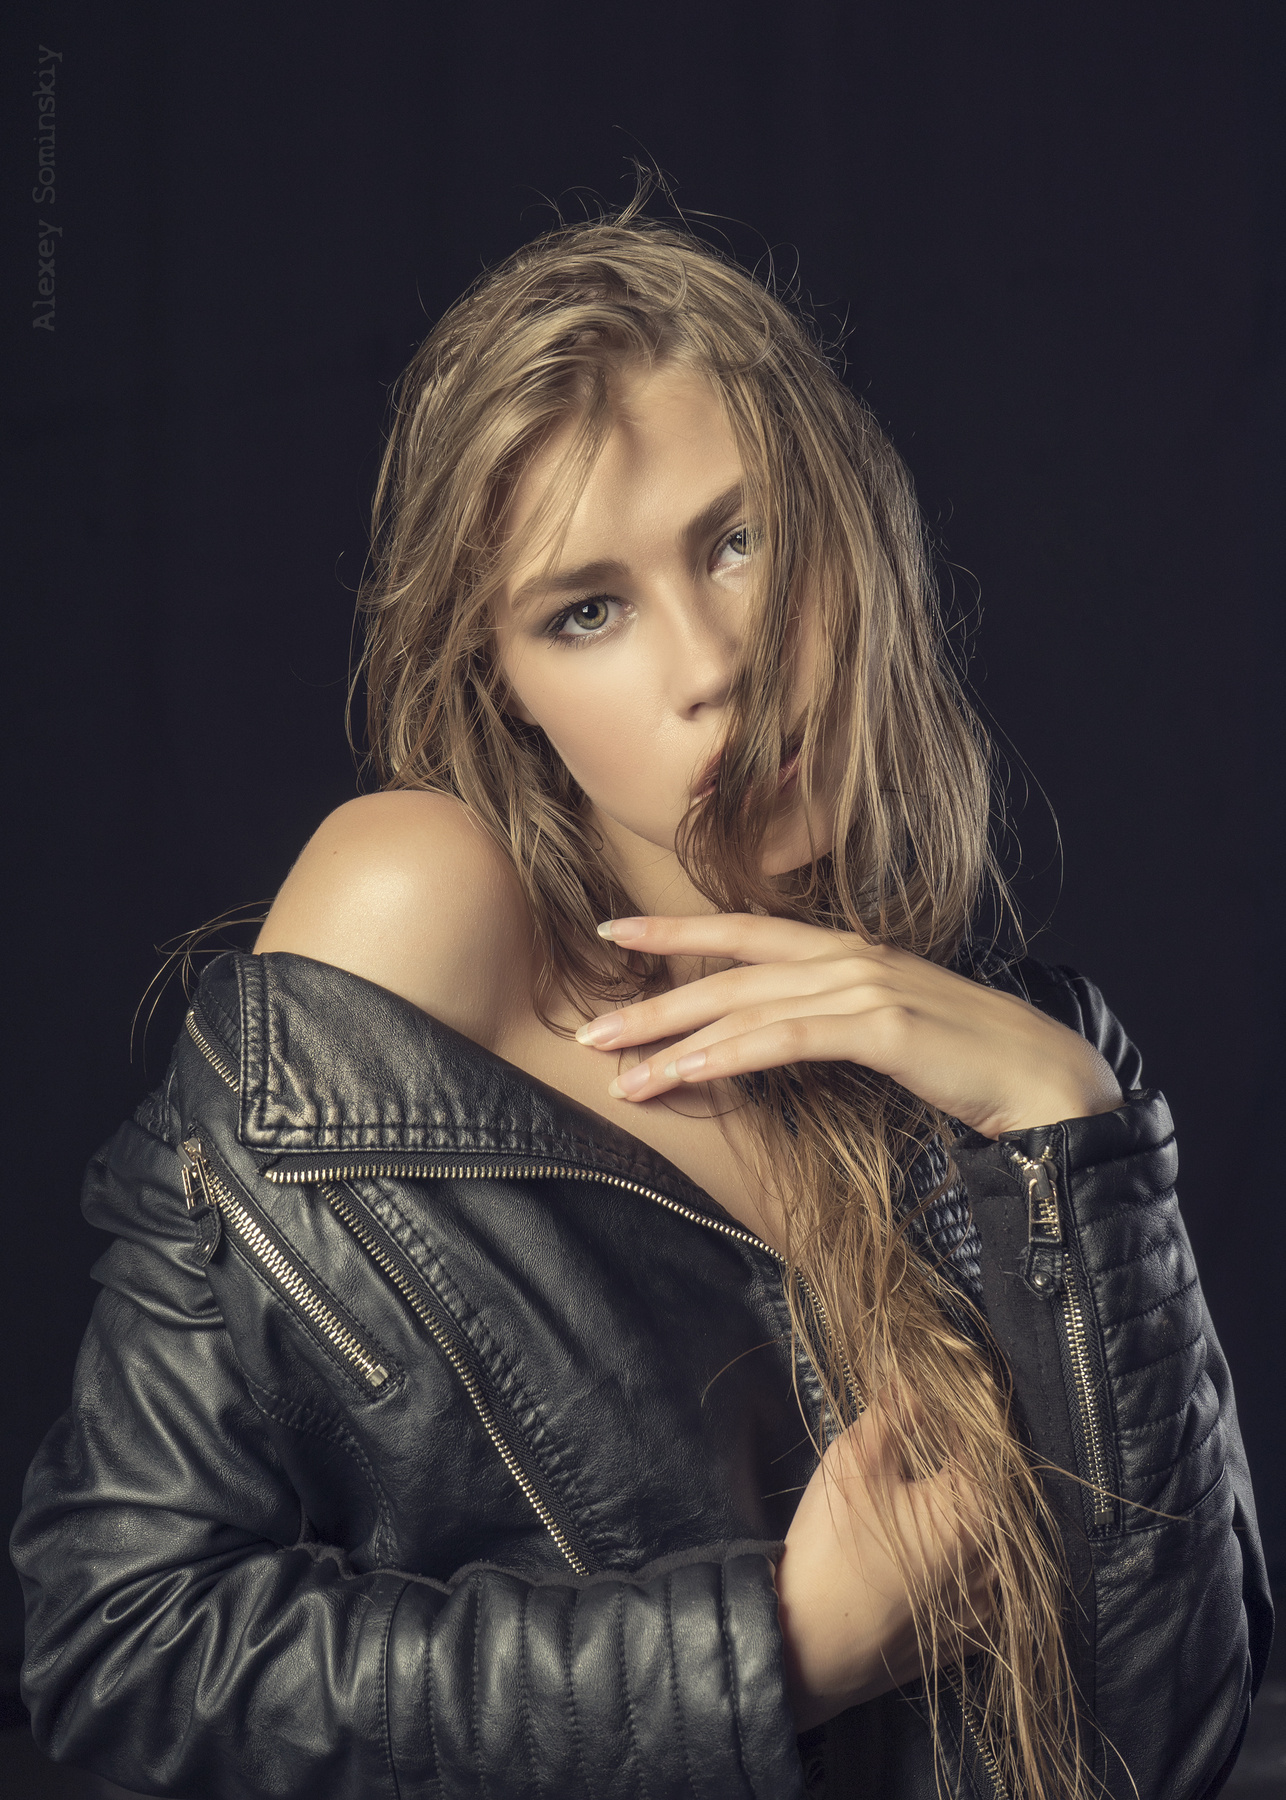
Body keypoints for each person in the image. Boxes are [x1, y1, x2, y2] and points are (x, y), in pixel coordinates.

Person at [11, 199, 1271, 1800]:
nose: (713, 662)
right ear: (506, 689)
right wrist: (779, 1649)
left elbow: (1161, 1750)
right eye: (585, 612)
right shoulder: (419, 911)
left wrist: (1063, 1127)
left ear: (852, 523)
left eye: (739, 541)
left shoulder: (1024, 1055)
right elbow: (120, 1643)